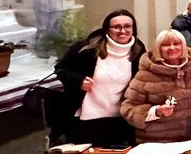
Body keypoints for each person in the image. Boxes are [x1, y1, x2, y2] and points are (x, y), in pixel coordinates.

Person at [55, 10, 147, 146]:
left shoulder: (138, 50)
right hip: (88, 119)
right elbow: (61, 70)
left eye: (127, 26)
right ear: (107, 29)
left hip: (121, 120)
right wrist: (78, 81)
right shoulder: (87, 48)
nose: (122, 31)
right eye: (116, 27)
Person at [120, 30, 191, 143]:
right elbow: (127, 108)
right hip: (156, 141)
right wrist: (155, 111)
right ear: (158, 48)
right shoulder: (146, 74)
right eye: (166, 45)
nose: (172, 48)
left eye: (176, 44)